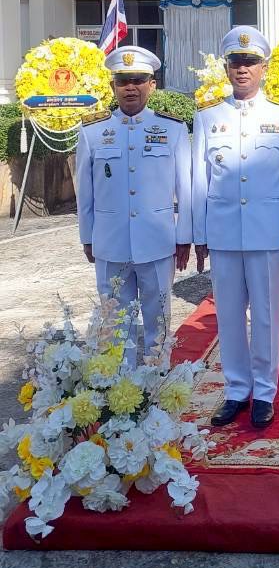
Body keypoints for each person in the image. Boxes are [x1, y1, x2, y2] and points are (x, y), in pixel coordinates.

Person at [192, 26, 279, 429]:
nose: (243, 69)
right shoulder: (207, 118)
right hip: (222, 231)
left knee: (267, 315)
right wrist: (199, 234)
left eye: (250, 62)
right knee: (230, 315)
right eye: (236, 62)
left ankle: (265, 392)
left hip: (266, 231)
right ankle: (237, 389)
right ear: (225, 68)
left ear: (264, 68)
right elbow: (197, 181)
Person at [76, 46, 191, 363]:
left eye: (138, 79)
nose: (131, 87)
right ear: (113, 85)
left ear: (152, 85)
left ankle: (158, 391)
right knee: (114, 325)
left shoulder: (173, 129)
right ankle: (120, 396)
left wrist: (184, 237)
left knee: (159, 323)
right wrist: (88, 236)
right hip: (110, 242)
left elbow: (187, 189)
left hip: (157, 242)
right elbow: (84, 191)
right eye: (123, 80)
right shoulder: (93, 131)